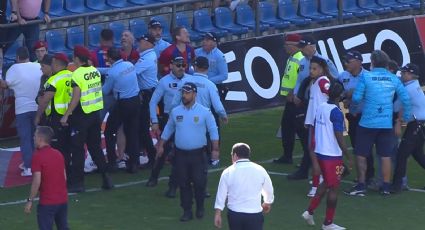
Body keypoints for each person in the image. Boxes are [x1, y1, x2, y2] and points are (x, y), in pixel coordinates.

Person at [345, 50, 411, 196]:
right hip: (386, 123)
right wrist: (404, 118)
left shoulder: (366, 77)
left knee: (361, 154)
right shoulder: (393, 79)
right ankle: (386, 187)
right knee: (385, 155)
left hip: (367, 122)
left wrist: (353, 109)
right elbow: (406, 99)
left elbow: (356, 98)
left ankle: (361, 184)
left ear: (372, 63)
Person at [156, 82, 219, 222]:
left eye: (187, 93)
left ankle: (200, 206)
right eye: (183, 93)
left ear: (195, 94)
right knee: (183, 184)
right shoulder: (176, 111)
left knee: (199, 183)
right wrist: (161, 145)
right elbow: (168, 129)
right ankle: (187, 211)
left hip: (198, 154)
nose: (184, 95)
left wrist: (215, 149)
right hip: (181, 155)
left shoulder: (204, 112)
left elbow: (213, 131)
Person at [60, 45, 113, 193]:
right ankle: (106, 176)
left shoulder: (76, 75)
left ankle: (77, 183)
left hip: (81, 115)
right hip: (95, 114)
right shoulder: (94, 71)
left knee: (77, 149)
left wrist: (66, 115)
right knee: (95, 147)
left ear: (77, 59)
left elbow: (76, 97)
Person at [301, 82, 350, 230]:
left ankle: (309, 212)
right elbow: (339, 136)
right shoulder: (336, 112)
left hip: (320, 153)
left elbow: (315, 131)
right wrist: (348, 155)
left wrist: (313, 154)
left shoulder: (321, 107)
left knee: (326, 184)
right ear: (340, 95)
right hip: (332, 156)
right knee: (334, 188)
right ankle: (328, 223)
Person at [146, 56, 189, 195]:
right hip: (169, 119)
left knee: (182, 151)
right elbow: (153, 102)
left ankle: (175, 184)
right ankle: (154, 176)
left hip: (186, 119)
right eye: (178, 65)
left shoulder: (190, 80)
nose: (181, 67)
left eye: (183, 65)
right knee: (163, 149)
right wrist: (154, 121)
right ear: (171, 66)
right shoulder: (164, 82)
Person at [0, 47, 41, 176]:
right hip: (38, 107)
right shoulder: (38, 66)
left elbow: (5, 85)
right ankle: (36, 163)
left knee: (25, 139)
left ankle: (29, 167)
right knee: (38, 137)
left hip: (23, 109)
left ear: (17, 57)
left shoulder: (14, 69)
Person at [214, 142, 274, 230]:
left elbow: (221, 194)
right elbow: (269, 189)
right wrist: (267, 202)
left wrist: (218, 213)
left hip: (235, 214)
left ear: (234, 155)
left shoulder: (228, 172)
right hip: (254, 214)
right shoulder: (260, 170)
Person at [338, 50, 375, 184]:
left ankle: (369, 175)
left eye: (349, 60)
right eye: (345, 60)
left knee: (366, 147)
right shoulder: (342, 76)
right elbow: (338, 92)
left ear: (359, 62)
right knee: (356, 146)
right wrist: (344, 98)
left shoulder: (368, 76)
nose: (346, 63)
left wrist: (353, 95)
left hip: (366, 116)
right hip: (352, 117)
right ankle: (363, 175)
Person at [103, 47, 141, 173]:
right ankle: (134, 162)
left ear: (110, 58)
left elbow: (105, 90)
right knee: (132, 131)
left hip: (122, 103)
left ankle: (112, 162)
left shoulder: (112, 72)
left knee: (109, 132)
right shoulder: (129, 64)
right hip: (135, 100)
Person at [24, 126, 69, 230]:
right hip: (62, 200)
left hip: (47, 203)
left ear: (40, 138)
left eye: (35, 136)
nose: (33, 138)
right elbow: (64, 177)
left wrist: (30, 200)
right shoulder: (58, 154)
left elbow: (36, 181)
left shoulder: (38, 156)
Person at [34, 53, 72, 175]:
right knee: (67, 146)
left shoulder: (53, 80)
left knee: (57, 147)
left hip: (57, 117)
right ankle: (69, 172)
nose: (41, 69)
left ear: (54, 64)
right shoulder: (72, 76)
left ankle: (59, 173)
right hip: (70, 115)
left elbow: (44, 100)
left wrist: (38, 116)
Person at [274, 33, 307, 165]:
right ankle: (287, 156)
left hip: (296, 100)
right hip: (290, 99)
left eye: (287, 44)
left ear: (295, 46)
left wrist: (294, 94)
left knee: (301, 130)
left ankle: (306, 158)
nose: (285, 47)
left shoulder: (300, 59)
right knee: (287, 127)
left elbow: (302, 79)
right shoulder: (293, 57)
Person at [392, 64, 425, 193]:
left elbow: (395, 107)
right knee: (417, 154)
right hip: (419, 125)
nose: (401, 75)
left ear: (411, 75)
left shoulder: (407, 89)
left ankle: (396, 186)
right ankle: (397, 184)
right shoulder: (414, 86)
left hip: (416, 125)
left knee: (401, 155)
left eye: (404, 73)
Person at [304, 56, 333, 197]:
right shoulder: (315, 82)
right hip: (315, 123)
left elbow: (332, 94)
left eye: (314, 68)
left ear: (322, 69)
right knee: (315, 153)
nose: (311, 71)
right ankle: (321, 180)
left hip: (319, 124)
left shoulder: (322, 82)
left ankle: (316, 186)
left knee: (314, 154)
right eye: (310, 68)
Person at [135, 34, 158, 169]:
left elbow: (133, 72)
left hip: (147, 94)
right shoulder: (149, 56)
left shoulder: (147, 58)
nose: (139, 44)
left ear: (148, 43)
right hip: (148, 93)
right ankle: (150, 153)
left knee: (143, 127)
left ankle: (152, 155)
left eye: (141, 41)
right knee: (142, 126)